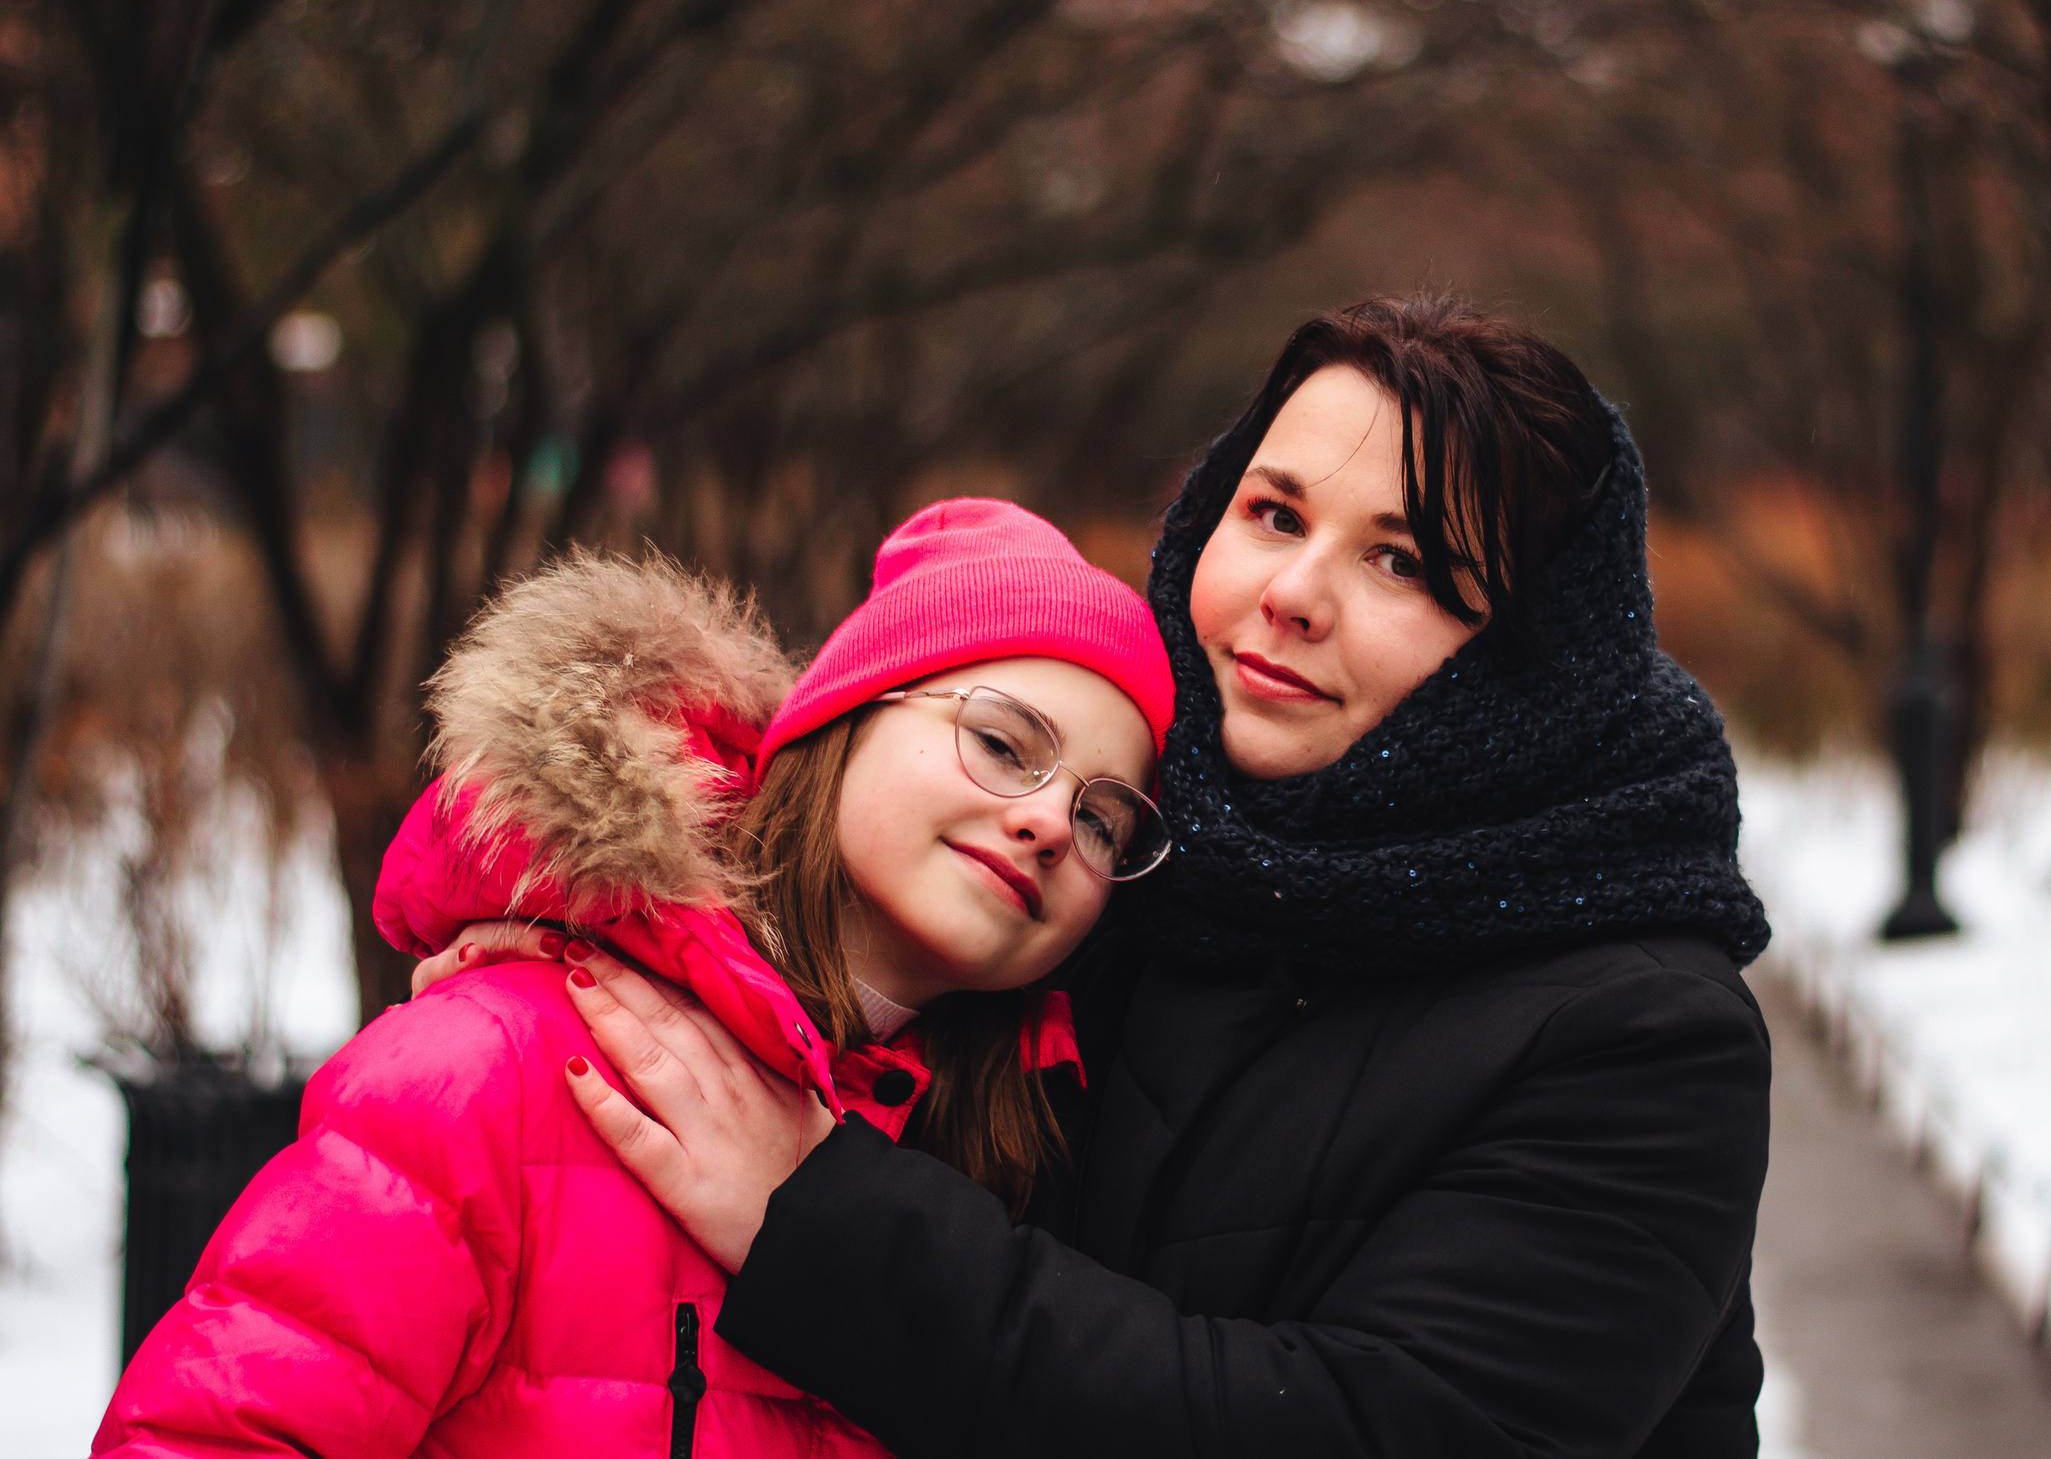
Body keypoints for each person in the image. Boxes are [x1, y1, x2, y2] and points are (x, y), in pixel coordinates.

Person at [435, 293, 1775, 1457]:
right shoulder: (1129, 854)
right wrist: (588, 952)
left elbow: (1370, 1425)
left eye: (1404, 560)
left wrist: (824, 1219)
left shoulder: (1642, 1031)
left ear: (1530, 665)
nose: (1293, 591)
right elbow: (830, 974)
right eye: (1274, 510)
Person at [91, 500, 1177, 1459]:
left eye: (1099, 819)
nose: (1045, 823)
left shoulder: (1004, 1182)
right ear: (845, 720)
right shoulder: (499, 1065)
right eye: (1001, 743)